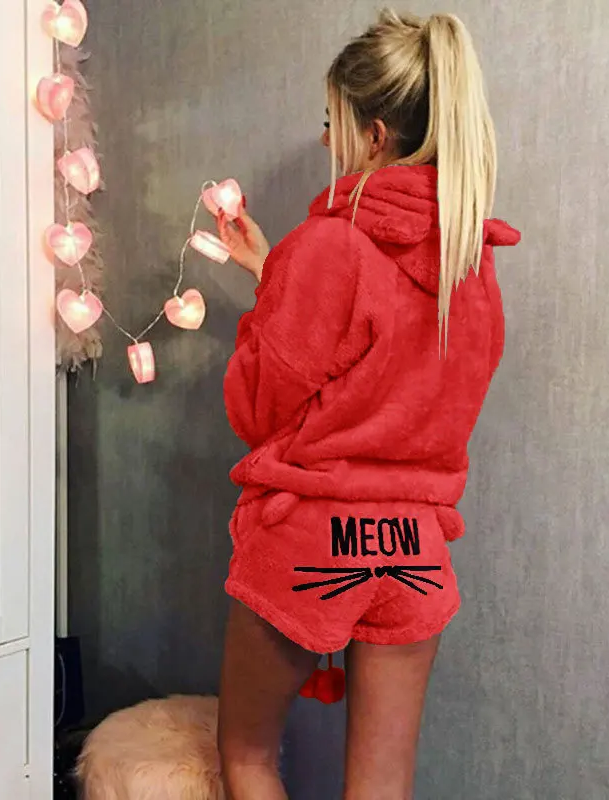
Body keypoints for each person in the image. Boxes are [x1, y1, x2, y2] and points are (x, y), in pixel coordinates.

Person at [215, 9, 520, 799]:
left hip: (312, 539)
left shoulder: (329, 245)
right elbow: (389, 372)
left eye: (333, 123)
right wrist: (274, 271)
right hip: (413, 549)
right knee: (383, 786)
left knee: (248, 757)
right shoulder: (469, 266)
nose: (326, 142)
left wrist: (277, 290)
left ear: (375, 135)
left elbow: (254, 407)